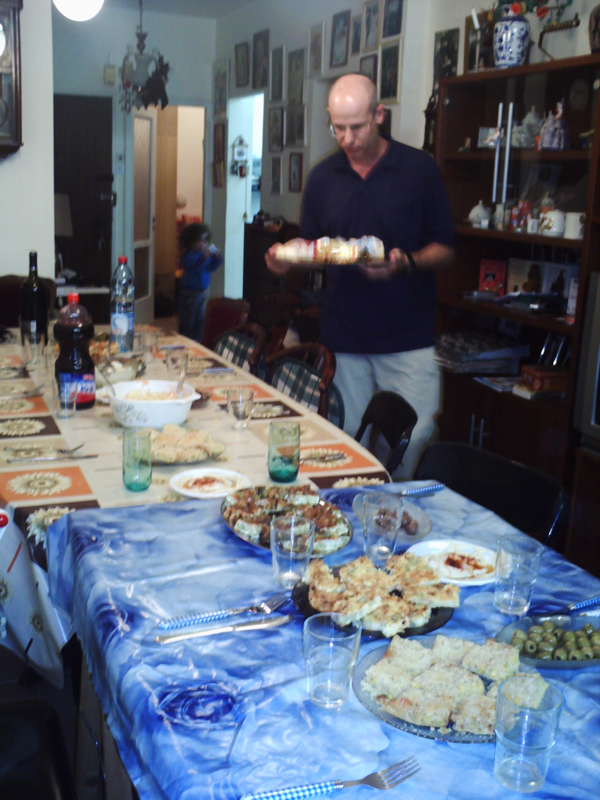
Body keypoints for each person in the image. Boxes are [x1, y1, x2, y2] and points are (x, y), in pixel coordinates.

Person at [265, 73, 455, 477]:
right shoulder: (322, 177)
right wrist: (289, 260)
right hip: (344, 338)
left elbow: (446, 248)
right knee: (343, 445)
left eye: (357, 127)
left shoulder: (419, 169)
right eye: (338, 128)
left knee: (411, 445)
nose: (347, 138)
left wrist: (406, 262)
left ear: (379, 115)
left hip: (407, 339)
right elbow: (314, 249)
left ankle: (397, 512)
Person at [178, 222, 223, 343]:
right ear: (190, 241)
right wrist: (204, 257)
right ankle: (184, 342)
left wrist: (217, 257)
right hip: (189, 295)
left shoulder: (204, 256)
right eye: (199, 240)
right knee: (187, 323)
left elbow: (212, 267)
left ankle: (197, 342)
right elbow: (194, 266)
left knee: (200, 321)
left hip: (201, 294)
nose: (203, 244)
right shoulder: (188, 255)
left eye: (205, 240)